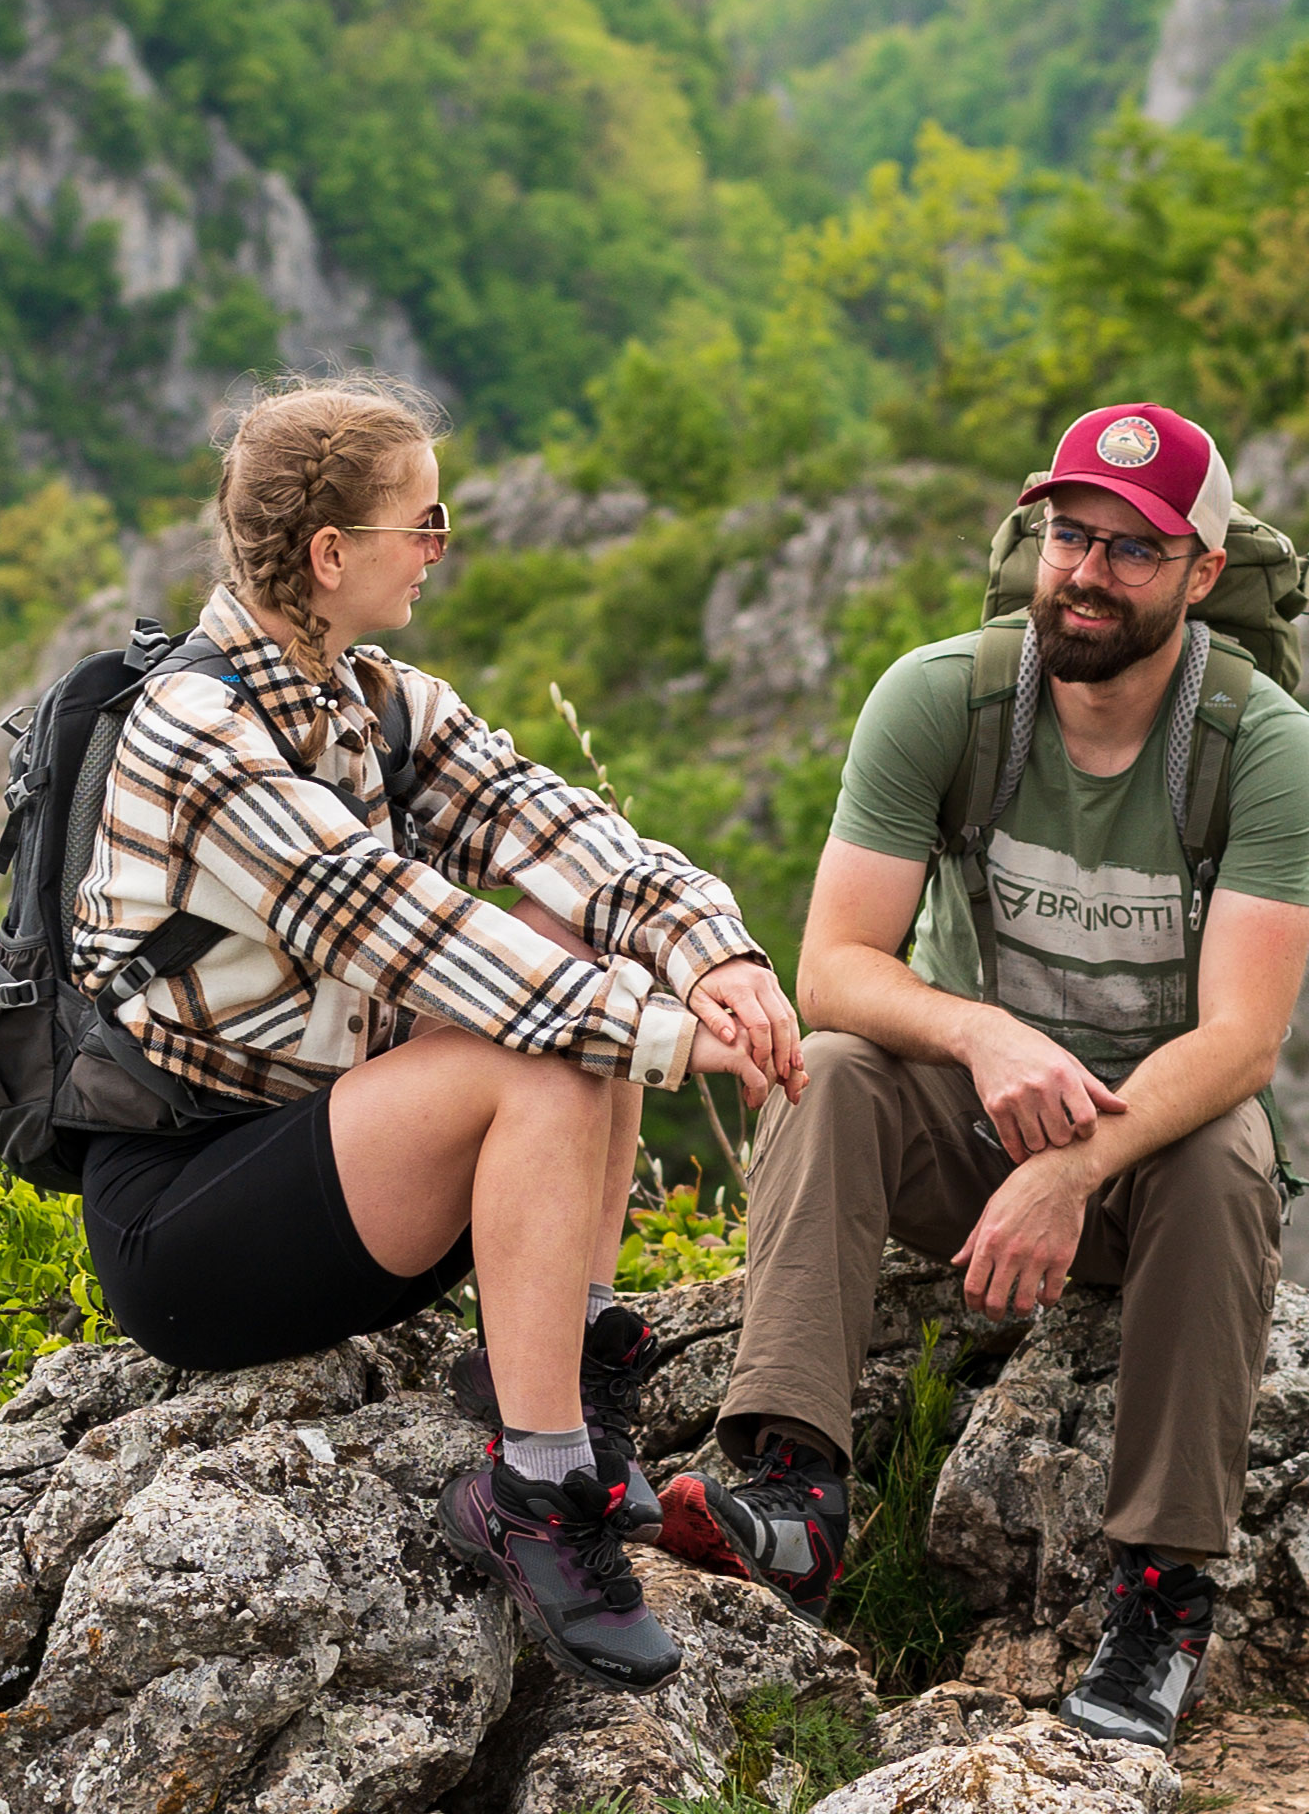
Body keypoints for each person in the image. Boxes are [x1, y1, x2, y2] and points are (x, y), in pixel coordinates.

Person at [69, 374, 804, 1690]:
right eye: (425, 519)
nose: (442, 543)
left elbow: (561, 831)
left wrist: (713, 953)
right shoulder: (195, 734)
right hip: (189, 1220)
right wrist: (668, 1035)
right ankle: (531, 1491)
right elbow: (414, 936)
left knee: (588, 948)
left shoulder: (374, 698)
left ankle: (567, 1396)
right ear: (330, 553)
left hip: (344, 1162)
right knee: (553, 1040)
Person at [663, 398, 1309, 1753]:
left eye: (1133, 548)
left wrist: (1075, 1165)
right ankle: (791, 1490)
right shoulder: (945, 699)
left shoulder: (1258, 747)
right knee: (832, 1067)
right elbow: (834, 965)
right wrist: (984, 1034)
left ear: (1203, 575)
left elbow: (1243, 1042)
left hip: (1142, 1158)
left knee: (1227, 1153)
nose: (1085, 570)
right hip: (967, 1119)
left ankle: (1161, 1597)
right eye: (1067, 533)